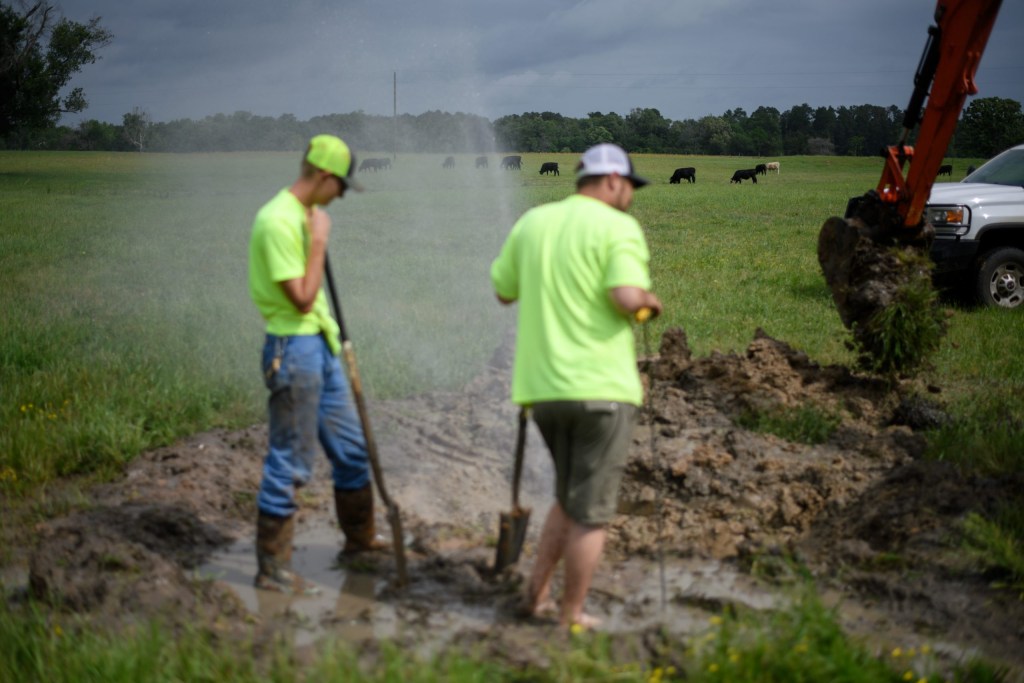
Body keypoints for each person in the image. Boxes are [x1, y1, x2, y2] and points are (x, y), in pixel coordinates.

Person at [490, 143, 663, 628]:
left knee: (569, 500)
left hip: (542, 394)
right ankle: (571, 616)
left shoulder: (532, 222)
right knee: (591, 514)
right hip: (600, 393)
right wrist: (649, 301)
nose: (630, 195)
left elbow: (503, 291)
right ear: (611, 180)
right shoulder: (618, 227)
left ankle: (535, 595)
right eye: (629, 185)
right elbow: (626, 297)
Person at [247, 134, 386, 596]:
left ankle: (361, 544)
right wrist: (319, 242)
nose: (341, 196)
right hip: (293, 352)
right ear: (325, 176)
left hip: (320, 348)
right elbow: (302, 299)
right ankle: (273, 570)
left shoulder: (303, 217)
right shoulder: (276, 221)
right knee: (291, 462)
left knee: (352, 450)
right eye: (341, 187)